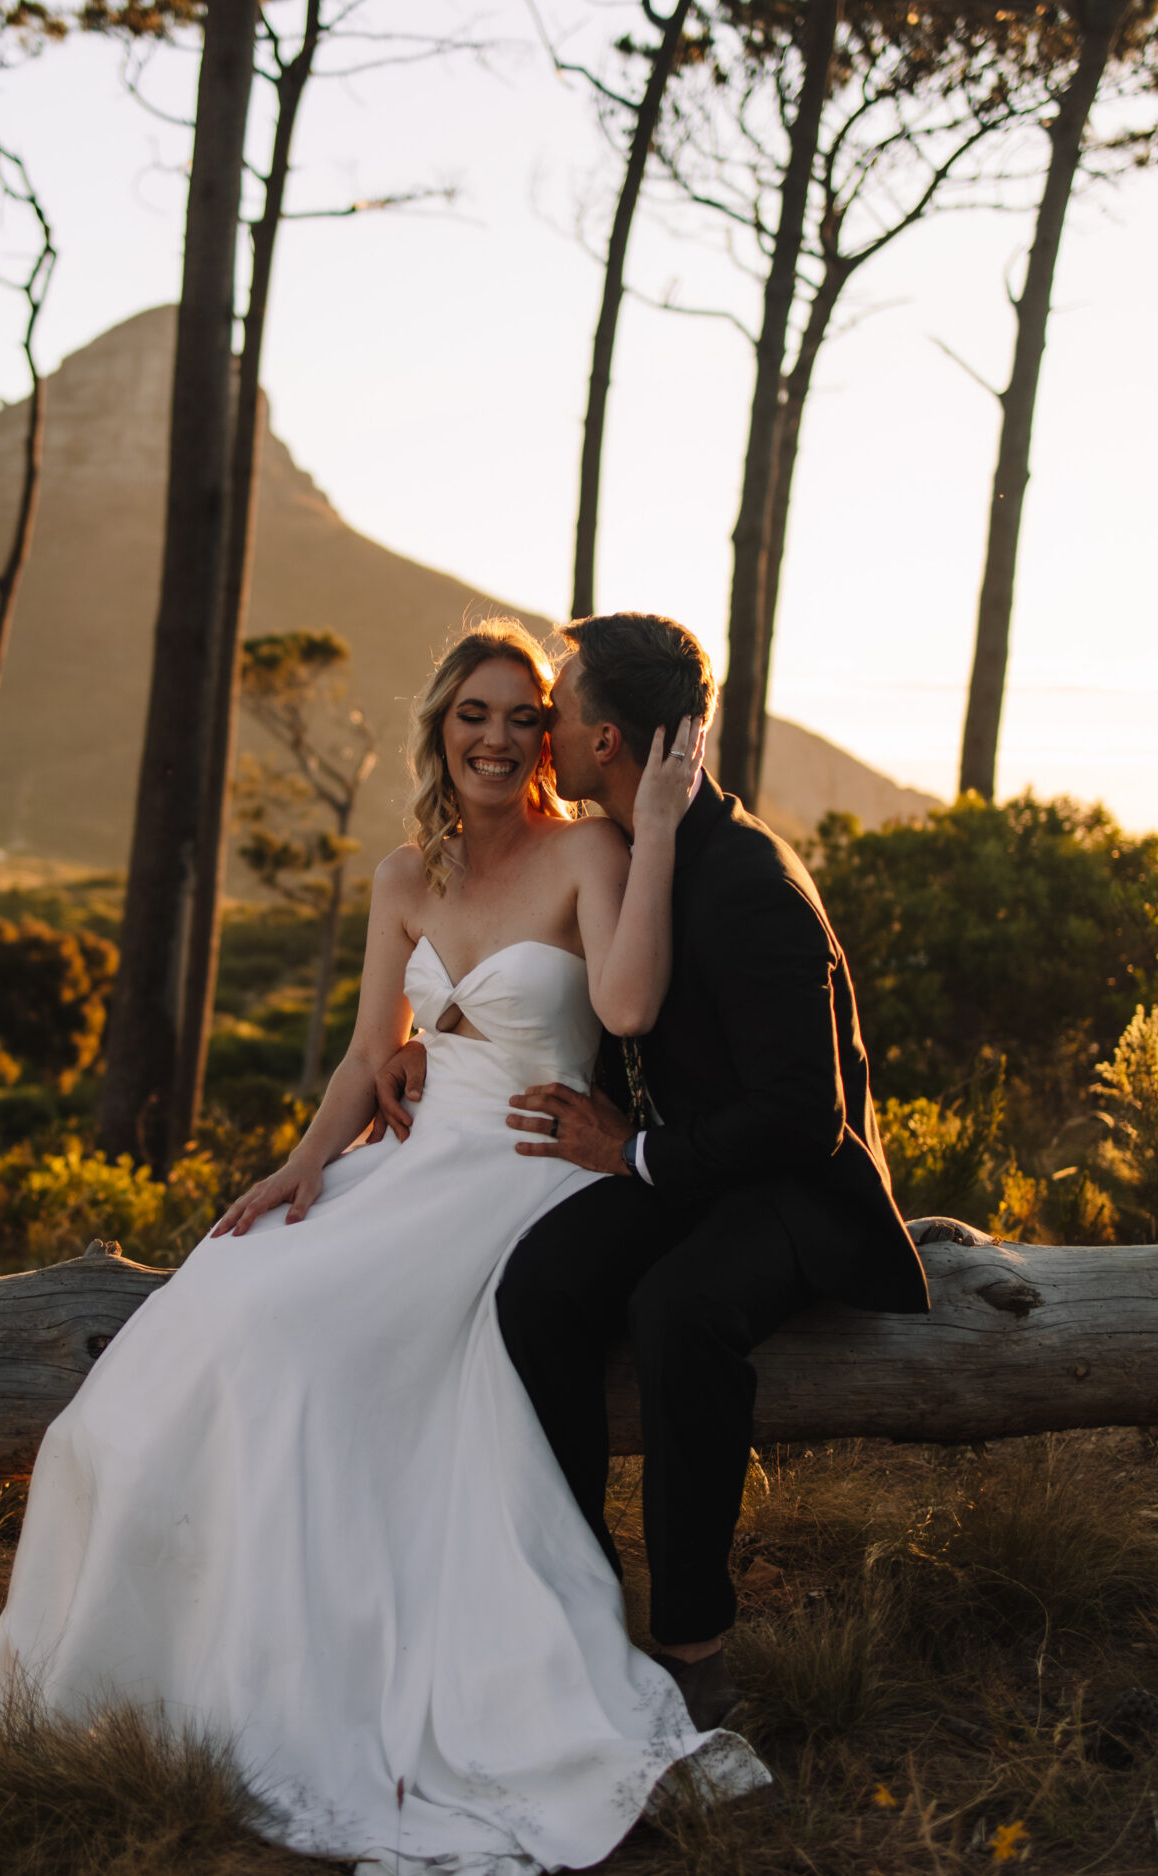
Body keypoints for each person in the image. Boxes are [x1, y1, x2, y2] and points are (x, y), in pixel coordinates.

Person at [0, 619, 769, 1876]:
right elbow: (375, 1057)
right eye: (471, 714)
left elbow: (630, 1008)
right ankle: (175, 1673)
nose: (495, 736)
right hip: (408, 1166)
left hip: (527, 1165)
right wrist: (302, 1164)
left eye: (520, 716)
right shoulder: (402, 878)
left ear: (549, 735)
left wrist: (652, 815)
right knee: (227, 1308)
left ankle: (346, 1665)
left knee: (305, 1347)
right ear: (439, 730)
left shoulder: (592, 848)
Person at [376, 613, 929, 1734]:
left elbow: (803, 1119)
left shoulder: (745, 881)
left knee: (678, 1311)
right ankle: (576, 1594)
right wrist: (433, 1038)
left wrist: (629, 1151)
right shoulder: (636, 845)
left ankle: (692, 1641)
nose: (542, 734)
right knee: (541, 1286)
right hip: (680, 1165)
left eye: (559, 712)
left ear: (610, 741)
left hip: (792, 1191)